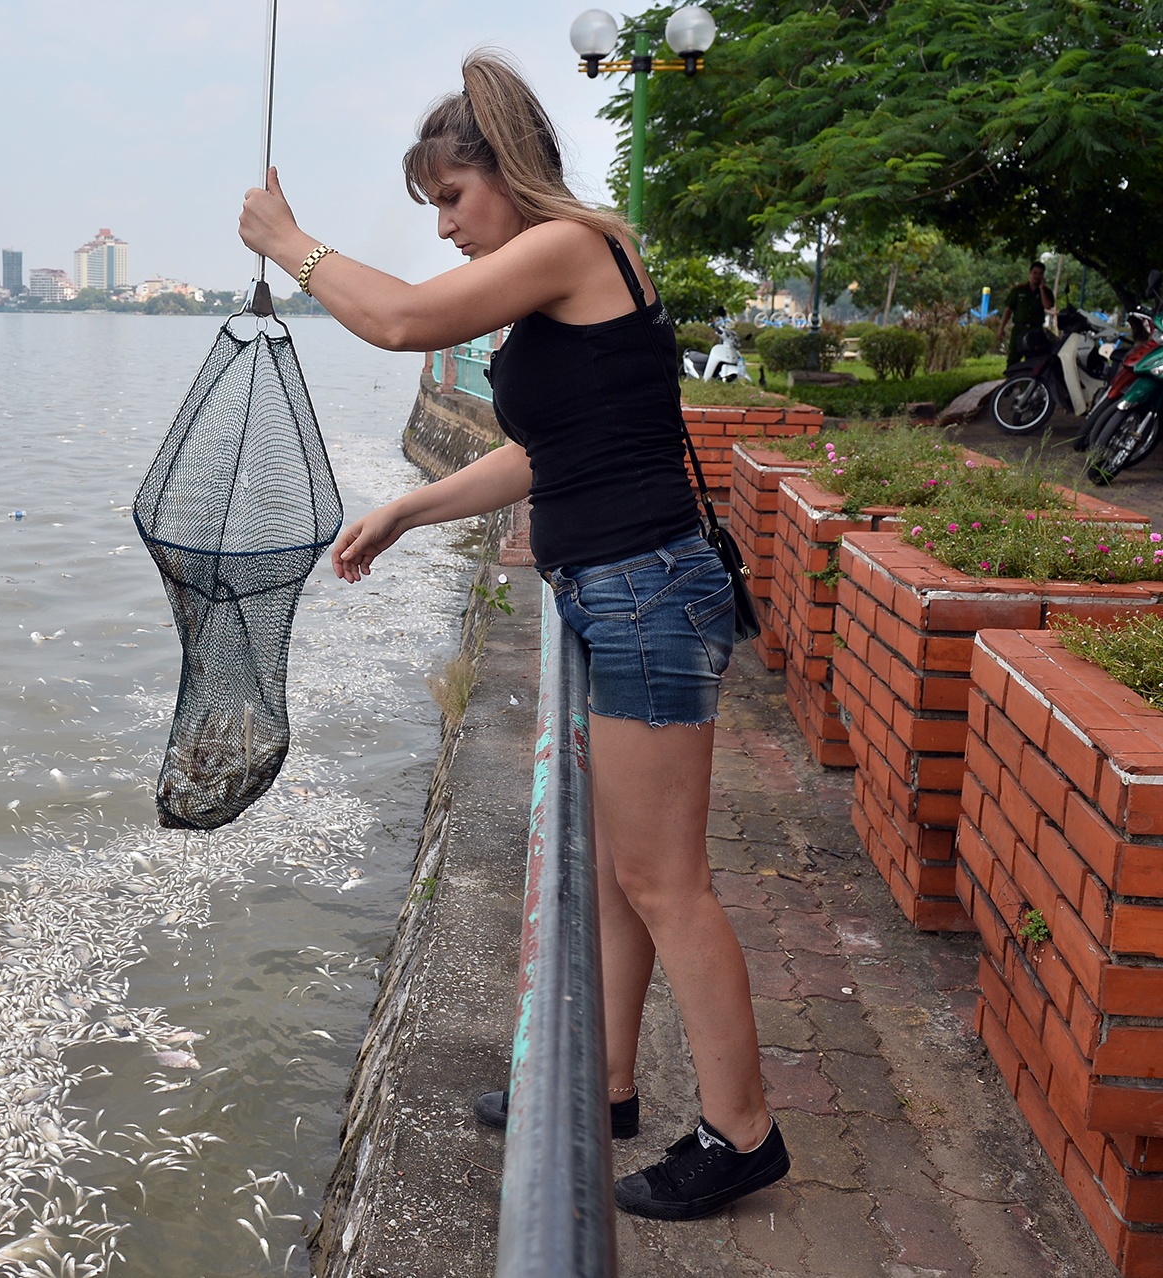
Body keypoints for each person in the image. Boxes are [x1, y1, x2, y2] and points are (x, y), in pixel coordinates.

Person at [239, 49, 790, 1222]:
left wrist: (289, 243)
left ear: (506, 165)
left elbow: (396, 321)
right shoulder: (557, 278)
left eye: (451, 198)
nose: (444, 229)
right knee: (621, 874)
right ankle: (603, 1092)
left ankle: (743, 1133)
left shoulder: (574, 242)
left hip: (642, 589)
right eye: (431, 208)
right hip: (616, 585)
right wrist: (407, 506)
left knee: (665, 879)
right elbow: (550, 453)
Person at [1002, 261, 1055, 360]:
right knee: (1013, 358)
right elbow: (1008, 310)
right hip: (1019, 329)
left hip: (1036, 330)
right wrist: (1001, 328)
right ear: (1030, 274)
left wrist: (1042, 289)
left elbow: (1047, 306)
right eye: (1035, 273)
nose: (1037, 276)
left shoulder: (1046, 292)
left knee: (1034, 359)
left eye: (1040, 274)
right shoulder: (1018, 290)